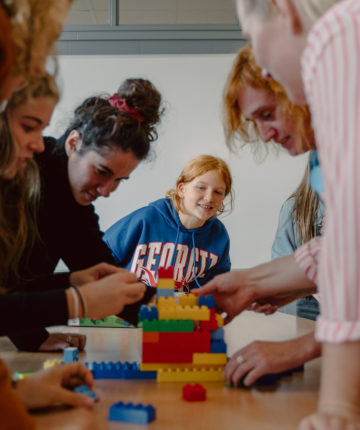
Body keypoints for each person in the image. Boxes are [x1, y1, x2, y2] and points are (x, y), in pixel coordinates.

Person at [199, 1, 360, 429]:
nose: (266, 133)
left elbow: (351, 242)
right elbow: (338, 251)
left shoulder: (339, 33)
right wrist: (252, 283)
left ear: (284, 11)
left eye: (268, 113)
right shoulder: (321, 161)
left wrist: (338, 402)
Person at [6, 77, 163, 352]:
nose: (107, 191)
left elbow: (100, 273)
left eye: (119, 180)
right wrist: (77, 299)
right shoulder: (20, 176)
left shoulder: (72, 201)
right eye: (102, 172)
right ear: (73, 143)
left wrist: (176, 311)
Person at [104, 154, 232, 290]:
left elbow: (217, 285)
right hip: (131, 305)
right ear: (181, 189)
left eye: (218, 192)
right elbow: (103, 255)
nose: (209, 197)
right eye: (201, 187)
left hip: (178, 308)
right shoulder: (146, 219)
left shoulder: (219, 235)